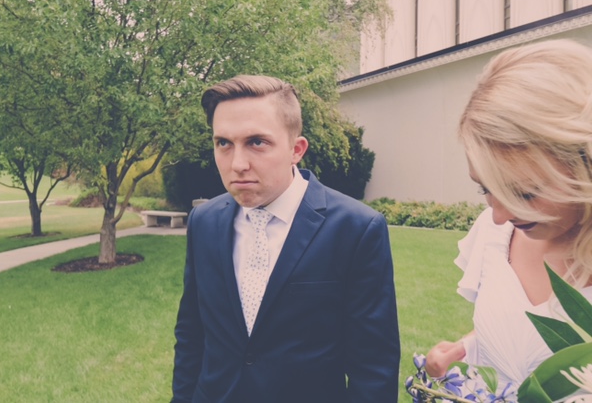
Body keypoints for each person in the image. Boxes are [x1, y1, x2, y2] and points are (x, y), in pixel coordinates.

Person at [171, 75, 400, 402]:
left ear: (296, 150)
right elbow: (191, 335)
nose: (237, 164)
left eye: (256, 142)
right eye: (223, 143)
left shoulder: (356, 229)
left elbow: (374, 366)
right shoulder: (203, 222)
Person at [425, 39, 592, 395]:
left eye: (524, 193)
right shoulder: (492, 232)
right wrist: (465, 347)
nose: (499, 216)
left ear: (585, 165)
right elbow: (522, 338)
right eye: (484, 189)